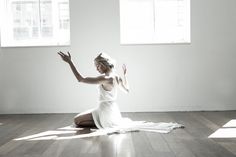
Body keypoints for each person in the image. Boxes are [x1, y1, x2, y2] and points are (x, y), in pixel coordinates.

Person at [58, 51, 129, 129]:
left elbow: (80, 79)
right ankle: (104, 121)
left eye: (97, 66)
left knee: (76, 120)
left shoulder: (105, 78)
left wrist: (70, 62)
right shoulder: (117, 77)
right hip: (113, 110)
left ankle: (103, 123)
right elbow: (127, 90)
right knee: (82, 116)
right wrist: (125, 75)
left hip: (104, 111)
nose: (97, 69)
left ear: (103, 64)